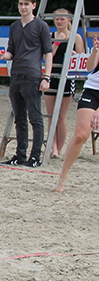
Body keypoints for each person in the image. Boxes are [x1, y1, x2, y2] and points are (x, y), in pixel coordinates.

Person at [0, 0, 53, 168]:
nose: (23, 7)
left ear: (33, 6)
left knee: (35, 118)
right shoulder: (14, 26)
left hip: (32, 76)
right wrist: (3, 56)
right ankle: (20, 154)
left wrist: (46, 77)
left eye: (26, 4)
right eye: (21, 4)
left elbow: (48, 53)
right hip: (16, 75)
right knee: (19, 118)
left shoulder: (41, 26)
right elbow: (11, 51)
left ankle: (35, 156)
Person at [54, 39, 99, 192]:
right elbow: (89, 67)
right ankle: (62, 177)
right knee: (80, 135)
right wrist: (95, 52)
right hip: (92, 90)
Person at [44, 8, 85, 159]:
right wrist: (57, 42)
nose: (59, 22)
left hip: (68, 78)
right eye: (57, 19)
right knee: (51, 115)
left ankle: (59, 149)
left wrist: (74, 55)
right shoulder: (50, 36)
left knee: (61, 116)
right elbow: (47, 56)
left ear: (69, 20)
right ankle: (53, 147)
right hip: (52, 76)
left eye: (62, 19)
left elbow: (81, 60)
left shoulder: (76, 37)